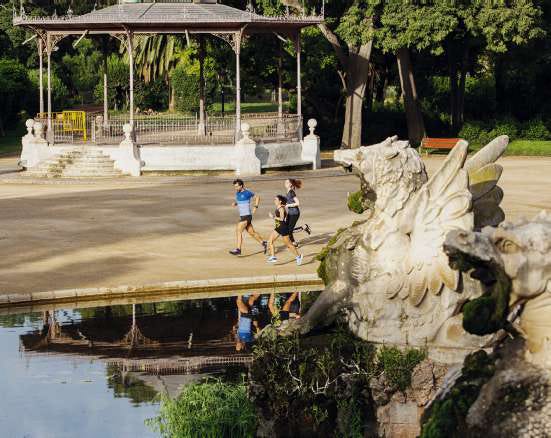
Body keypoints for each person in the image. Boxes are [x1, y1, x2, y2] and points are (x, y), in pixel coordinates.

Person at [230, 179, 267, 256]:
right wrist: (235, 203)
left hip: (247, 216)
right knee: (252, 233)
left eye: (237, 186)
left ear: (241, 185)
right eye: (235, 186)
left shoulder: (247, 192)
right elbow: (240, 201)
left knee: (238, 230)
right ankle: (263, 243)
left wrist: (255, 207)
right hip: (243, 216)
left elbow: (257, 197)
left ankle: (238, 249)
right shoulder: (238, 193)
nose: (235, 188)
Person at [267, 195, 303, 265]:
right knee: (270, 241)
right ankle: (273, 257)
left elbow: (282, 219)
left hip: (283, 228)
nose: (274, 200)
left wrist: (273, 217)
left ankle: (298, 256)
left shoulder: (281, 209)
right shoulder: (279, 207)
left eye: (275, 199)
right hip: (278, 228)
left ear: (280, 201)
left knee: (289, 245)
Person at [284, 178, 311, 247]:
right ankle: (294, 243)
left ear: (290, 184)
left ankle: (304, 228)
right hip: (290, 213)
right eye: (285, 182)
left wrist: (288, 205)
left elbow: (298, 203)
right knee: (286, 229)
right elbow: (289, 201)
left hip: (295, 213)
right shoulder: (288, 191)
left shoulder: (291, 192)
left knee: (289, 230)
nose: (285, 183)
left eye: (287, 182)